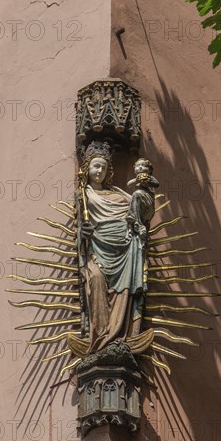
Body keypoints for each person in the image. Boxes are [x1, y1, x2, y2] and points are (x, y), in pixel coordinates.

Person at [77, 142, 146, 353]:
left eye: (103, 168)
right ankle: (100, 337)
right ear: (87, 168)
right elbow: (80, 228)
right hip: (96, 249)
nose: (99, 171)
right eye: (96, 166)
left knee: (124, 290)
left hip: (124, 250)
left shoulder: (118, 195)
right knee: (96, 279)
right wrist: (83, 234)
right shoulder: (84, 195)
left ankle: (120, 336)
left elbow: (137, 211)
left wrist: (139, 224)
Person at [126, 158, 159, 243]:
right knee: (135, 195)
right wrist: (137, 180)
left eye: (143, 165)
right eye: (138, 165)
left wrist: (147, 181)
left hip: (147, 199)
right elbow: (129, 184)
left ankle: (138, 223)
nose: (140, 167)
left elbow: (156, 184)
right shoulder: (136, 179)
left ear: (149, 170)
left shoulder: (150, 178)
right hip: (137, 200)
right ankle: (136, 222)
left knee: (136, 194)